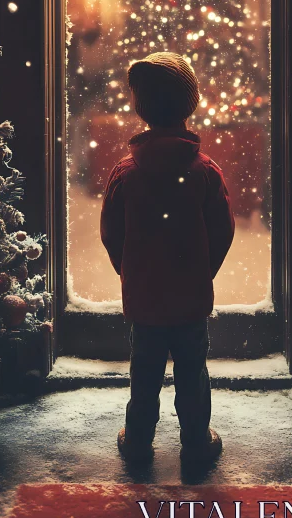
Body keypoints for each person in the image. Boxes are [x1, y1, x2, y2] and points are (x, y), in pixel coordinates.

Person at [100, 52, 235, 464]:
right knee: (193, 371)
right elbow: (223, 230)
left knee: (144, 371)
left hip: (144, 296)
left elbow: (111, 233)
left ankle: (138, 437)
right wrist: (200, 270)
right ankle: (196, 437)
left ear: (141, 107)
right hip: (190, 297)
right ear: (189, 104)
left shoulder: (126, 172)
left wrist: (132, 270)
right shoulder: (205, 171)